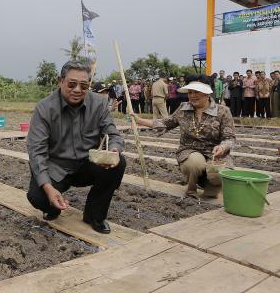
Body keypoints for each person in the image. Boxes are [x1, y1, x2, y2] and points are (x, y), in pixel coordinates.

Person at [27, 60, 125, 234]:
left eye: (84, 86)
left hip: (87, 164)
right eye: (71, 84)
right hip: (56, 167)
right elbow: (37, 151)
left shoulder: (99, 104)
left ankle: (94, 216)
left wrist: (114, 150)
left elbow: (113, 134)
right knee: (37, 196)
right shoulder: (44, 108)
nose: (78, 90)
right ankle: (53, 208)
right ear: (60, 81)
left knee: (119, 163)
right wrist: (49, 188)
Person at [132, 74, 235, 199]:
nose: (192, 95)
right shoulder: (183, 108)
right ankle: (191, 190)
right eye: (190, 92)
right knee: (195, 163)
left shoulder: (223, 111)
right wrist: (140, 120)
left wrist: (222, 147)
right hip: (190, 150)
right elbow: (166, 123)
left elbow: (229, 137)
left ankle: (211, 186)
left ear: (207, 94)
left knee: (220, 174)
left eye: (196, 92)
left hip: (215, 153)